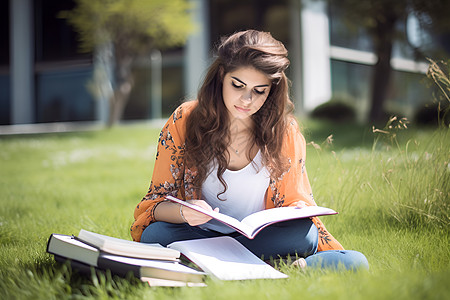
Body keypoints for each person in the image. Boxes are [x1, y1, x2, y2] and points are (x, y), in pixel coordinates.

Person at [131, 30, 368, 270]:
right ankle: (271, 266)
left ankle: (212, 264)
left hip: (261, 239)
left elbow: (297, 203)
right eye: (238, 85)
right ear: (222, 75)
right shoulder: (185, 120)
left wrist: (297, 210)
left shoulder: (284, 131)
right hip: (201, 236)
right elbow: (155, 204)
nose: (246, 99)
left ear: (272, 89)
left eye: (259, 90)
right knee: (156, 234)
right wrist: (183, 212)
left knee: (307, 236)